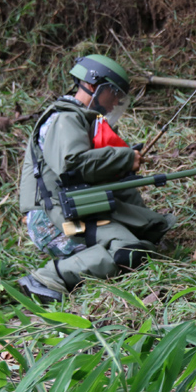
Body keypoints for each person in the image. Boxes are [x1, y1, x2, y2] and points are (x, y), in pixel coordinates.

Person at [17, 54, 173, 303]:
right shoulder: (65, 118)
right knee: (131, 252)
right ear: (92, 85)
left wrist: (121, 165)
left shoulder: (81, 119)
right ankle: (48, 277)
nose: (115, 103)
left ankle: (86, 256)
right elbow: (73, 164)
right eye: (113, 93)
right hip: (52, 220)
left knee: (144, 237)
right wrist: (123, 158)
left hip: (73, 210)